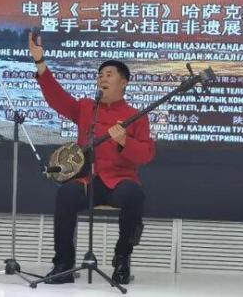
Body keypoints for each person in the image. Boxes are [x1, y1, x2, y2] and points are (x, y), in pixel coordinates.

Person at [29, 31, 155, 285]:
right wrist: (40, 62)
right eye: (100, 75)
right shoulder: (87, 107)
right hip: (88, 179)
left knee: (134, 194)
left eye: (109, 74)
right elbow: (58, 99)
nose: (102, 78)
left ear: (123, 83)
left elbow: (147, 154)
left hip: (120, 180)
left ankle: (122, 258)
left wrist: (124, 141)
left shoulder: (136, 115)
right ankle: (64, 264)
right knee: (66, 193)